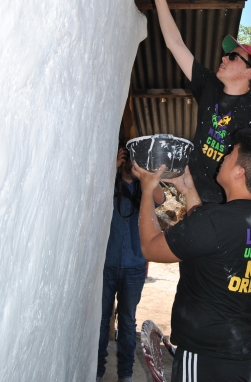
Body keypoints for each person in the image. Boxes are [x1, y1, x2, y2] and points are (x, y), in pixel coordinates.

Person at [133, 128, 251, 382]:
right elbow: (213, 234)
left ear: (240, 172)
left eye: (230, 154)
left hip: (208, 355)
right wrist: (188, 190)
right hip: (242, 349)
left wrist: (147, 190)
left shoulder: (215, 222)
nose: (224, 157)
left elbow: (150, 247)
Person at [146, 0, 251, 215]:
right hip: (195, 197)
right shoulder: (209, 87)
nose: (224, 57)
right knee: (192, 255)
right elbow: (175, 44)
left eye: (233, 56)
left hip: (232, 207)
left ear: (250, 72)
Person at [96, 147, 165, 382]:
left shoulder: (143, 189)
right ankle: (97, 371)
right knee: (102, 320)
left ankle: (125, 374)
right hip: (107, 265)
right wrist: (111, 168)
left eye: (132, 160)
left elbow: (160, 199)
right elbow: (93, 193)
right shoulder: (109, 185)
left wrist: (144, 173)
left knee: (127, 322)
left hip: (134, 265)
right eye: (126, 159)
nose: (128, 165)